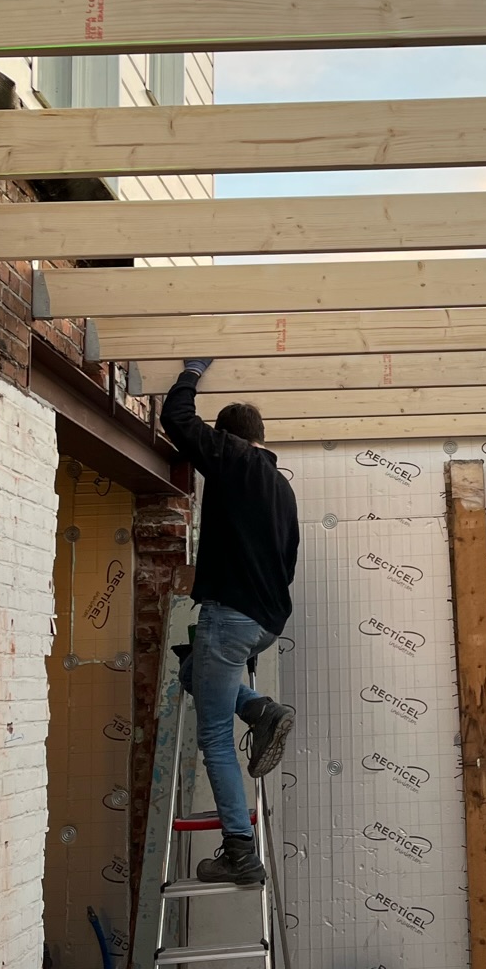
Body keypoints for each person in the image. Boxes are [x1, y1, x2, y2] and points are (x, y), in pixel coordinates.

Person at [161, 357, 299, 887]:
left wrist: (191, 373)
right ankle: (261, 709)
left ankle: (240, 852)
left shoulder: (232, 459)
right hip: (264, 620)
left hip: (232, 617)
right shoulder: (281, 488)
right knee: (194, 673)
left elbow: (177, 418)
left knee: (215, 737)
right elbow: (285, 560)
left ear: (228, 438)